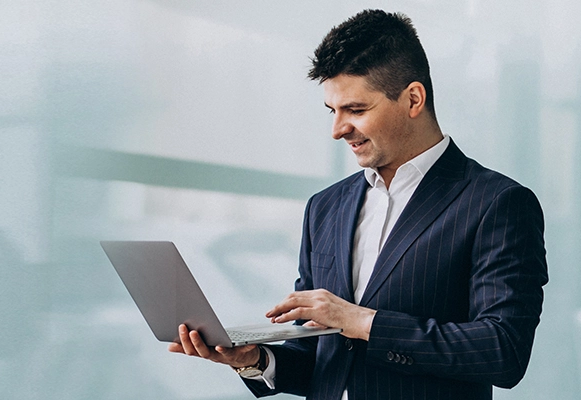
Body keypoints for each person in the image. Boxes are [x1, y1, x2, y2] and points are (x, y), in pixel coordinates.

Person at [168, 9, 548, 400]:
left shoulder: (497, 203)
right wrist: (254, 360)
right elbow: (319, 359)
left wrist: (362, 321)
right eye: (332, 111)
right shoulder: (324, 208)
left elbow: (503, 350)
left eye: (356, 110)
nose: (338, 130)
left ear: (413, 99)